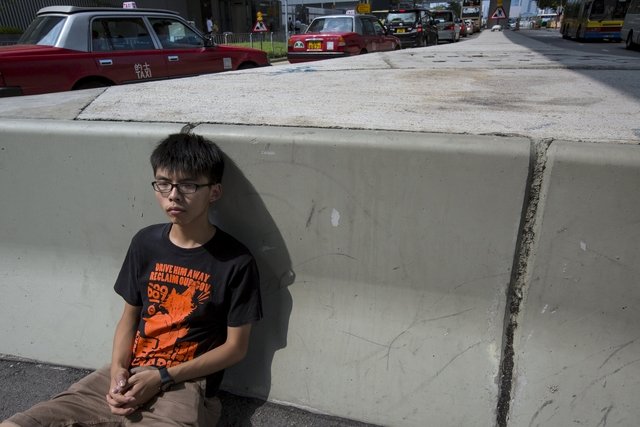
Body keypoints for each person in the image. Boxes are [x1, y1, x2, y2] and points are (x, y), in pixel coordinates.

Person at [1, 133, 263, 427]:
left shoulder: (235, 261)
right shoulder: (145, 243)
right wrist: (116, 371)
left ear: (214, 192)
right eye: (164, 183)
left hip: (186, 384)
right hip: (131, 371)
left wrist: (162, 377)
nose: (173, 195)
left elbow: (235, 348)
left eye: (188, 185)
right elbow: (129, 317)